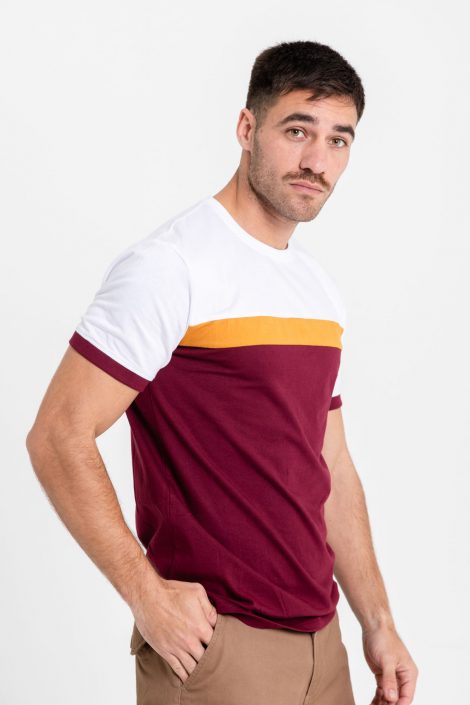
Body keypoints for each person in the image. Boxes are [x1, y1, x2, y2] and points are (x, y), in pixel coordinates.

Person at [26, 40, 418, 705]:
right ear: (246, 128)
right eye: (298, 130)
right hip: (221, 650)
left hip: (324, 648)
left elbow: (330, 462)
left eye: (339, 140)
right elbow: (58, 434)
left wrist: (377, 621)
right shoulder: (170, 266)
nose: (317, 161)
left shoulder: (318, 291)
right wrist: (145, 594)